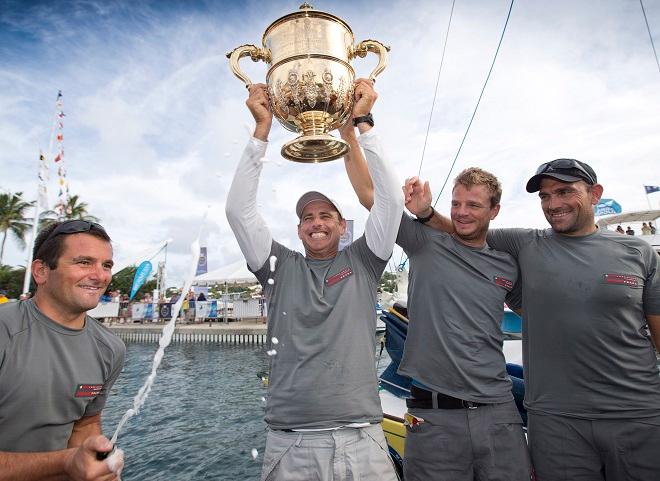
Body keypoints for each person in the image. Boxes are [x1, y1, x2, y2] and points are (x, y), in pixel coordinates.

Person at [412, 158, 660, 480]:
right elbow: (464, 229)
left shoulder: (639, 253)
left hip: (638, 416)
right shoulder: (524, 243)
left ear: (595, 194)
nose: (553, 204)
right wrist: (427, 214)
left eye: (564, 192)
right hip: (555, 424)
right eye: (545, 196)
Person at [226, 79, 402, 481]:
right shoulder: (279, 267)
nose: (316, 222)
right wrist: (261, 131)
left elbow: (390, 200)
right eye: (308, 217)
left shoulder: (365, 260)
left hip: (363, 438)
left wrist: (363, 123)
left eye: (326, 216)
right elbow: (239, 212)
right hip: (292, 442)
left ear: (343, 227)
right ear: (300, 229)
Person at [341, 123, 530, 480]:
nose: (461, 212)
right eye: (456, 203)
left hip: (499, 412)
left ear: (495, 211)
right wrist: (349, 136)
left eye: (473, 205)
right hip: (434, 414)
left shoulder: (506, 262)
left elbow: (534, 315)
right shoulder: (425, 241)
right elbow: (371, 195)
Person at [0, 220, 126, 480]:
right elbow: (68, 459)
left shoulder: (110, 349)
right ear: (41, 271)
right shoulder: (5, 331)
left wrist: (96, 461)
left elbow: (86, 423)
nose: (100, 275)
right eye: (84, 262)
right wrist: (65, 462)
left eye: (107, 265)